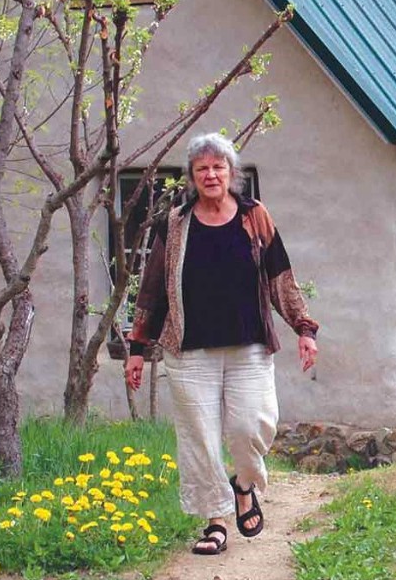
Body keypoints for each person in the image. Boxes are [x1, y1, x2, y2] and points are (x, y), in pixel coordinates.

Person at [124, 132, 319, 555]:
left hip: (248, 346)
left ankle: (244, 485)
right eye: (202, 169)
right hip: (189, 351)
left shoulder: (254, 216)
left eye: (218, 167)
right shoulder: (174, 223)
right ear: (192, 177)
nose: (211, 174)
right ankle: (215, 522)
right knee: (200, 439)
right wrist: (137, 348)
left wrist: (304, 328)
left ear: (231, 173)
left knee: (254, 426)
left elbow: (279, 275)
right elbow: (153, 288)